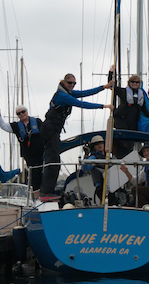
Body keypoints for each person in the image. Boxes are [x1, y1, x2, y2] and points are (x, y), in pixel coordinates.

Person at [39, 73, 114, 201]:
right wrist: (103, 106)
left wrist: (104, 87)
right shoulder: (62, 96)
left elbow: (85, 93)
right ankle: (46, 192)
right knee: (53, 162)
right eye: (70, 83)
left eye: (74, 83)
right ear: (64, 82)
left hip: (54, 131)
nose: (72, 86)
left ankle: (47, 191)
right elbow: (80, 104)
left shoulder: (67, 92)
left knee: (55, 161)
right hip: (50, 130)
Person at [0, 103, 44, 195]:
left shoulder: (37, 121)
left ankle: (45, 191)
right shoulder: (16, 126)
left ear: (27, 112)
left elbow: (46, 132)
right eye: (19, 113)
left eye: (23, 111)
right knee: (34, 173)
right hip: (29, 154)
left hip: (41, 152)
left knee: (44, 171)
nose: (22, 114)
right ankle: (36, 194)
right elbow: (3, 126)